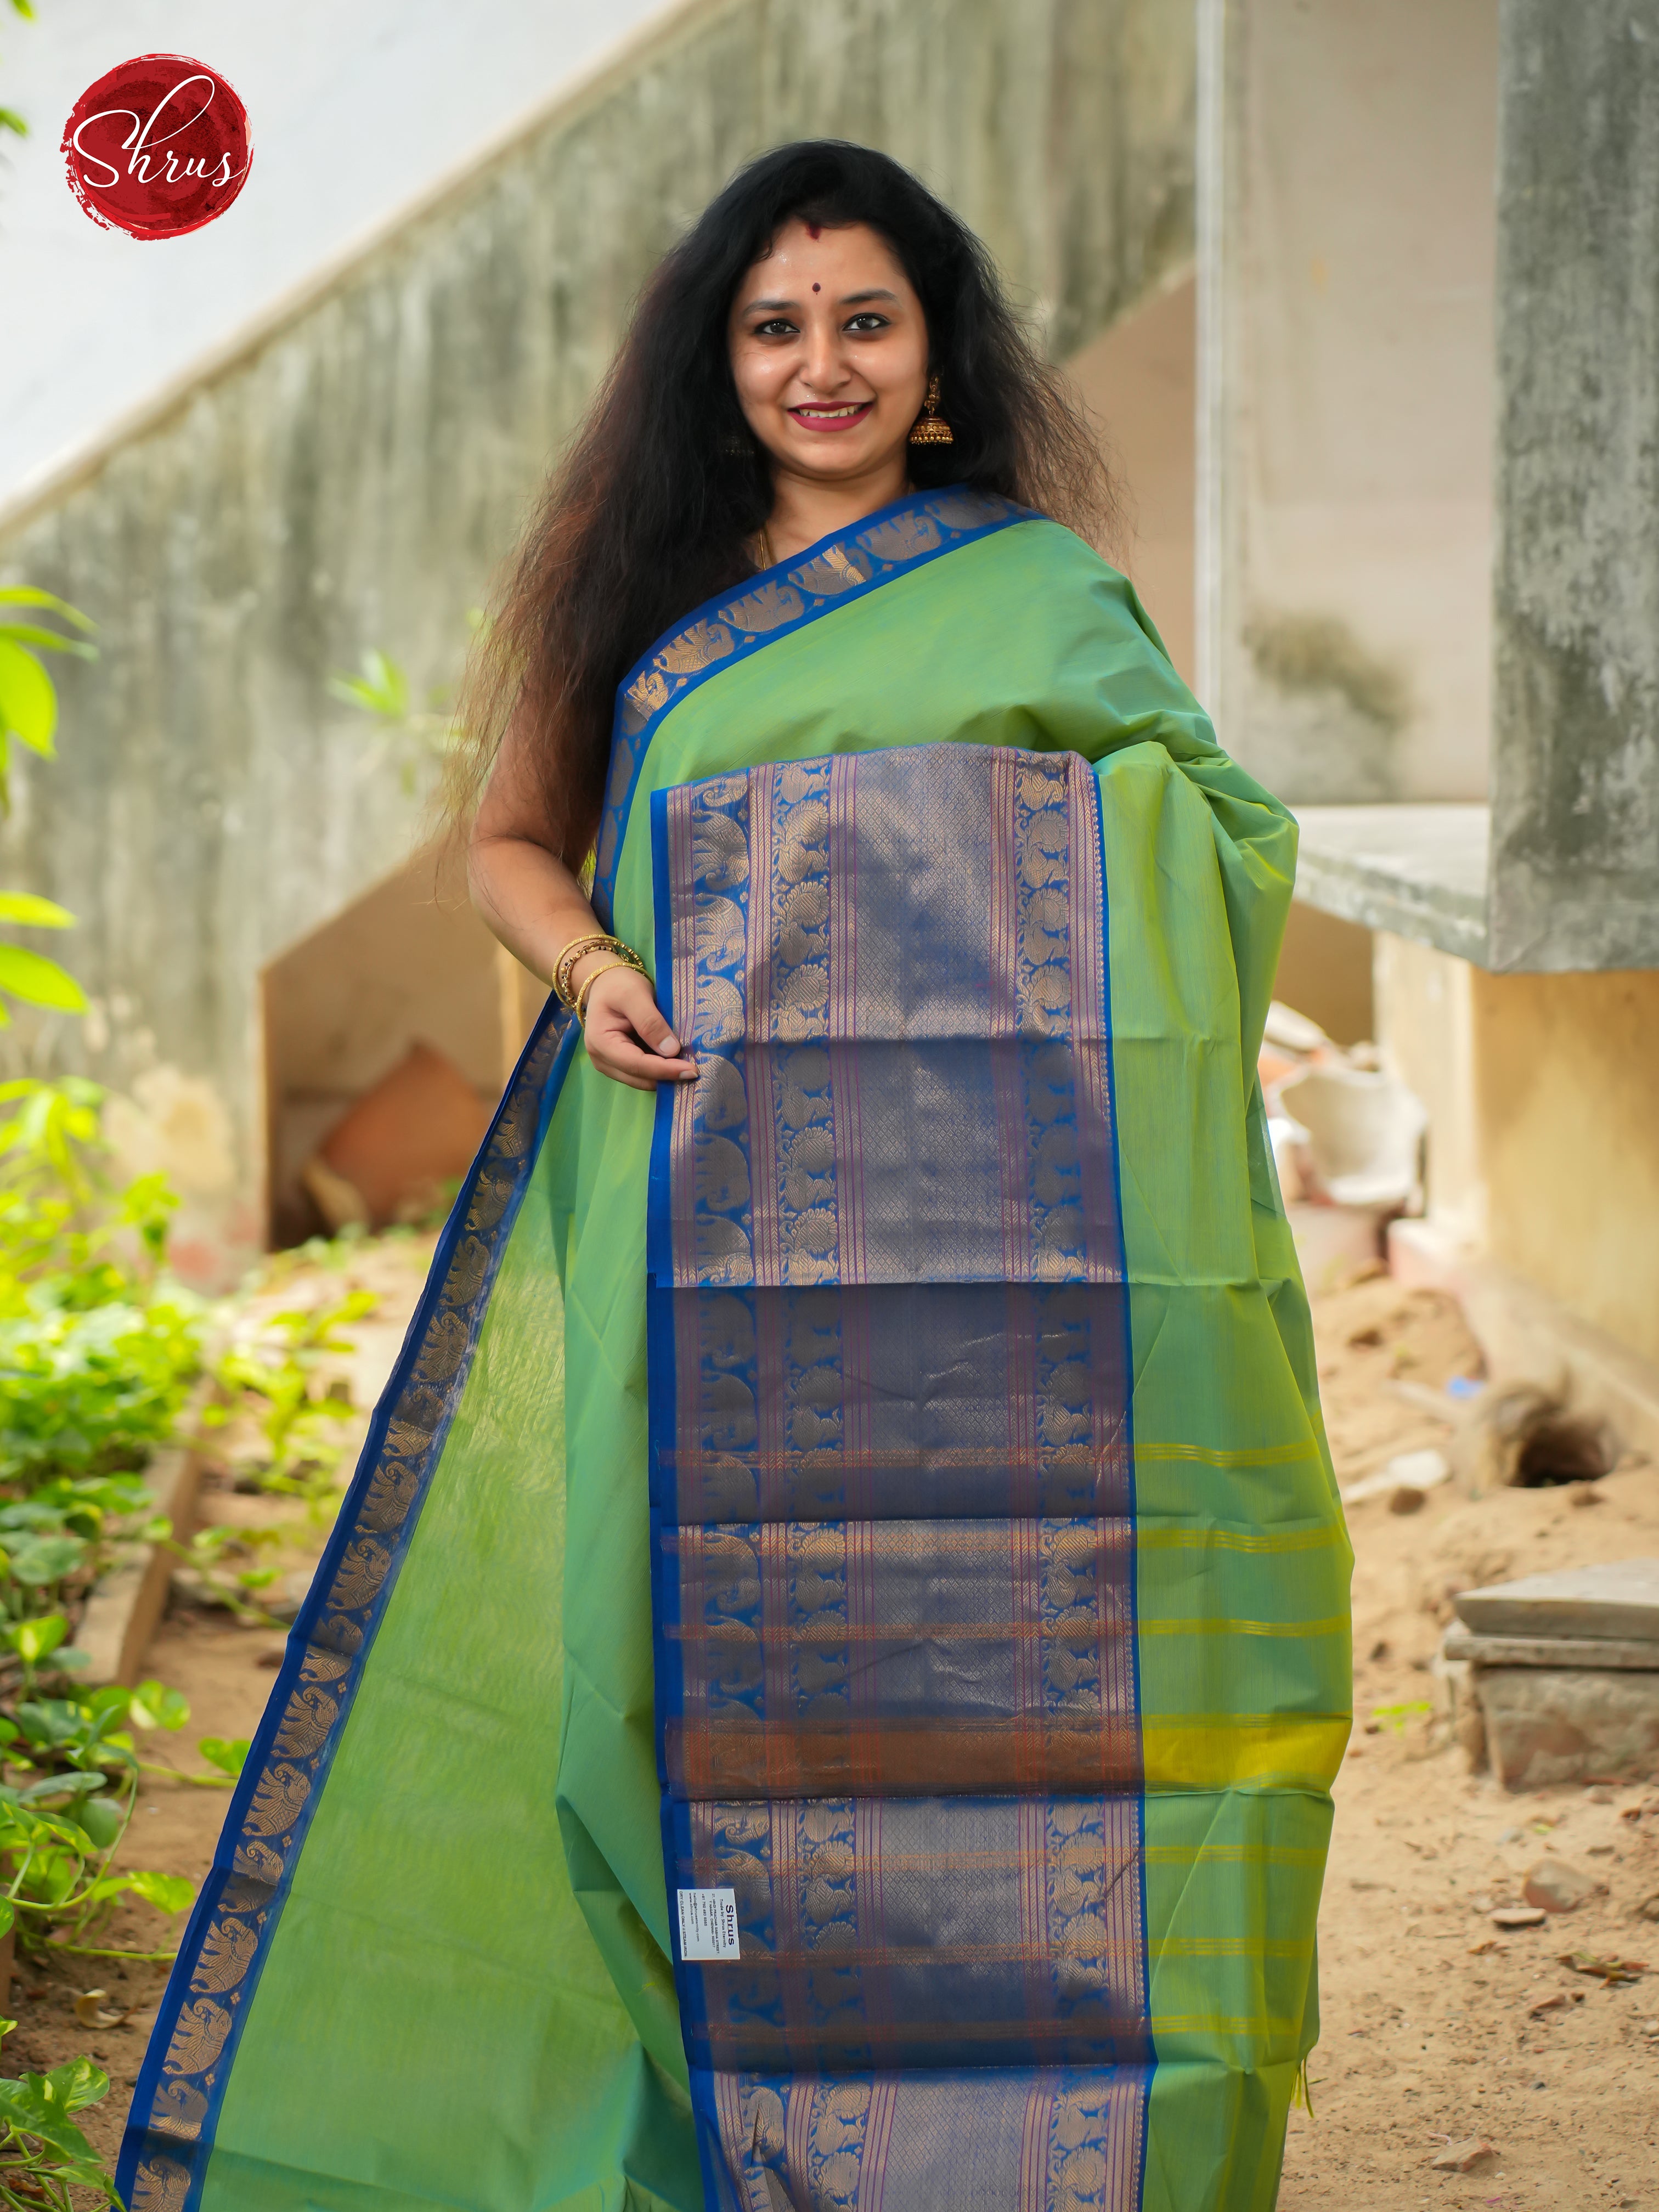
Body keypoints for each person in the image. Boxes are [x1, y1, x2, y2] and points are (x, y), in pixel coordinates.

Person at [122, 141, 1351, 2212]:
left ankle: (1058, 2133)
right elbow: (513, 845)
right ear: (719, 359)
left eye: (865, 319)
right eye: (775, 325)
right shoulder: (645, 583)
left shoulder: (1036, 586)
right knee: (689, 1657)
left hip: (1018, 1240)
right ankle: (743, 2120)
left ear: (935, 352)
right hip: (703, 1211)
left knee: (1022, 1632)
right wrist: (594, 963)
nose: (822, 363)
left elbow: (1219, 841)